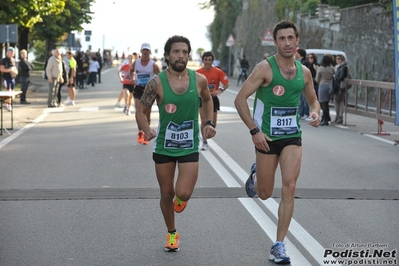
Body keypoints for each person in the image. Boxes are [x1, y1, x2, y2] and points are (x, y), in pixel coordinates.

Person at [234, 20, 320, 265]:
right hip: (266, 137)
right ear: (275, 42)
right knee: (264, 194)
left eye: (290, 38)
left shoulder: (304, 72)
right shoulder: (264, 68)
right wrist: (254, 131)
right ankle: (256, 175)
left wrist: (316, 112)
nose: (287, 42)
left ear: (297, 40)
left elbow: (313, 101)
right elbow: (240, 100)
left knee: (290, 186)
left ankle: (279, 245)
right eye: (281, 38)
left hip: (292, 136)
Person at [135, 35, 216, 252]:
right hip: (164, 146)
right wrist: (146, 129)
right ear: (168, 55)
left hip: (189, 144)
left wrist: (208, 122)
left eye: (184, 52)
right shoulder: (157, 83)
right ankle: (172, 233)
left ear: (188, 55)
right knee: (166, 193)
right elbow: (141, 110)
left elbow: (208, 100)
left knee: (184, 193)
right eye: (176, 52)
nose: (181, 56)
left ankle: (180, 201)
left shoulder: (198, 80)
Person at [196, 51, 229, 150]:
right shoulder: (197, 72)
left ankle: (207, 135)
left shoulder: (218, 71)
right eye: (205, 60)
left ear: (212, 61)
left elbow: (226, 83)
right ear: (203, 61)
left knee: (212, 123)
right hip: (202, 98)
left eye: (209, 60)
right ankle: (204, 141)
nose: (207, 62)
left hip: (213, 99)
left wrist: (220, 90)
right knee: (204, 120)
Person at [130, 43, 160, 144]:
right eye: (144, 50)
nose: (145, 52)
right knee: (139, 110)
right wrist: (132, 79)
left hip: (149, 90)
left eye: (147, 50)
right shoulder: (136, 63)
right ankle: (140, 131)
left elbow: (160, 76)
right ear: (141, 51)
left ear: (150, 52)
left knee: (147, 114)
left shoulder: (153, 65)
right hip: (138, 88)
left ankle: (146, 132)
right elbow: (131, 71)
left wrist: (157, 86)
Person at [315, 54, 335, 126]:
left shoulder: (320, 68)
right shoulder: (332, 68)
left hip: (322, 85)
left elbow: (317, 79)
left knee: (323, 104)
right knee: (327, 103)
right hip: (330, 86)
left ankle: (325, 119)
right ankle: (327, 118)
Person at [332, 54, 350, 125]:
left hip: (340, 86)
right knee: (337, 101)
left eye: (339, 59)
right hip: (337, 85)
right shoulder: (338, 67)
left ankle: (339, 117)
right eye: (336, 59)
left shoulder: (343, 67)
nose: (337, 60)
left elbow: (341, 76)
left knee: (340, 101)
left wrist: (336, 78)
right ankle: (338, 117)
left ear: (342, 59)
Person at [0, 47, 18, 111]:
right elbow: (2, 69)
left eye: (13, 53)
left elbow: (15, 68)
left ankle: (8, 103)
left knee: (12, 91)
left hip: (12, 77)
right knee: (8, 91)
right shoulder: (4, 60)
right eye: (12, 53)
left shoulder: (13, 60)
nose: (13, 54)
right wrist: (10, 71)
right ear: (8, 53)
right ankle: (6, 104)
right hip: (6, 77)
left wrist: (15, 72)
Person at [297, 48, 312, 121]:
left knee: (305, 99)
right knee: (302, 100)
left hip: (304, 82)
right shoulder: (301, 61)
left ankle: (306, 113)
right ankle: (301, 113)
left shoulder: (305, 63)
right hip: (300, 82)